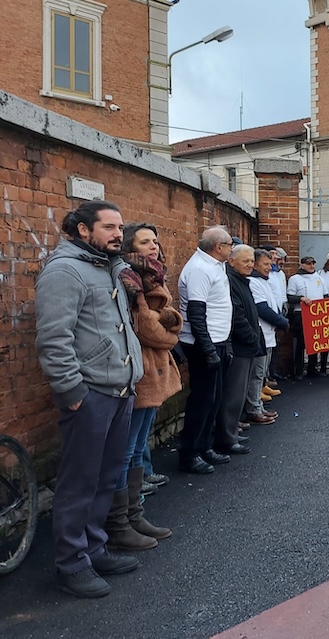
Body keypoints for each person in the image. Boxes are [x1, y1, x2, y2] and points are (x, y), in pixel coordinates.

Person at [35, 200, 143, 598]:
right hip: (91, 394)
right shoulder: (65, 271)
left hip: (119, 389)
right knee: (79, 482)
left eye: (121, 226)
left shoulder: (107, 267)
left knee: (104, 477)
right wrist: (72, 392)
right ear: (84, 230)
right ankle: (71, 564)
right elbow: (53, 338)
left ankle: (94, 548)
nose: (119, 233)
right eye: (110, 227)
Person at [104, 223, 181, 552]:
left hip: (155, 367)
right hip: (142, 368)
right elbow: (150, 328)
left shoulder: (153, 275)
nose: (153, 246)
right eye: (144, 241)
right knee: (126, 449)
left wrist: (168, 320)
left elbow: (172, 316)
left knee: (137, 447)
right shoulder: (130, 277)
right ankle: (120, 522)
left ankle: (135, 515)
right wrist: (170, 329)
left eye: (155, 240)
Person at [177, 226, 234, 475]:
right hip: (203, 344)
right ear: (218, 247)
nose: (232, 249)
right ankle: (189, 453)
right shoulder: (199, 269)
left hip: (218, 341)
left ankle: (204, 446)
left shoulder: (215, 264)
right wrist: (208, 349)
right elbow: (196, 313)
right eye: (230, 245)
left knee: (214, 399)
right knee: (201, 401)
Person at [216, 244, 263, 455]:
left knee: (238, 393)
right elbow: (237, 315)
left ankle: (231, 431)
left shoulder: (241, 281)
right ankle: (227, 437)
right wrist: (252, 338)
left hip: (247, 345)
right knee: (232, 394)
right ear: (231, 261)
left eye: (252, 261)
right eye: (245, 261)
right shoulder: (231, 282)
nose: (250, 265)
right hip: (239, 345)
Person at [247, 248, 287, 424]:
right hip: (261, 333)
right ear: (254, 264)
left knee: (261, 373)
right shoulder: (253, 282)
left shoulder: (264, 280)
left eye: (270, 264)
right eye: (265, 264)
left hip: (268, 334)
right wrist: (281, 321)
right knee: (256, 374)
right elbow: (262, 309)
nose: (269, 267)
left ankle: (258, 406)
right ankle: (253, 409)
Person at [286, 256, 324, 379]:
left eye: (313, 263)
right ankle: (298, 370)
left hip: (316, 314)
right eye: (308, 264)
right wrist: (301, 298)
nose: (311, 266)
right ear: (301, 265)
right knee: (300, 343)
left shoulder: (319, 278)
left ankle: (312, 368)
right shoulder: (295, 279)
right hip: (300, 313)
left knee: (315, 342)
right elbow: (289, 297)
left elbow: (326, 295)